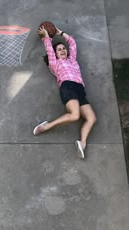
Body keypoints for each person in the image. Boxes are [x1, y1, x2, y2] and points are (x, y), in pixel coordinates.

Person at [33, 25, 97, 159]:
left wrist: (59, 32)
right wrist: (46, 37)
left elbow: (72, 43)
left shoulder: (72, 60)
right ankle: (46, 126)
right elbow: (49, 49)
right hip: (67, 86)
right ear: (55, 54)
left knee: (91, 118)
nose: (62, 50)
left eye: (63, 49)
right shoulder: (54, 63)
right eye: (59, 50)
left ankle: (82, 143)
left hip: (80, 89)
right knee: (75, 116)